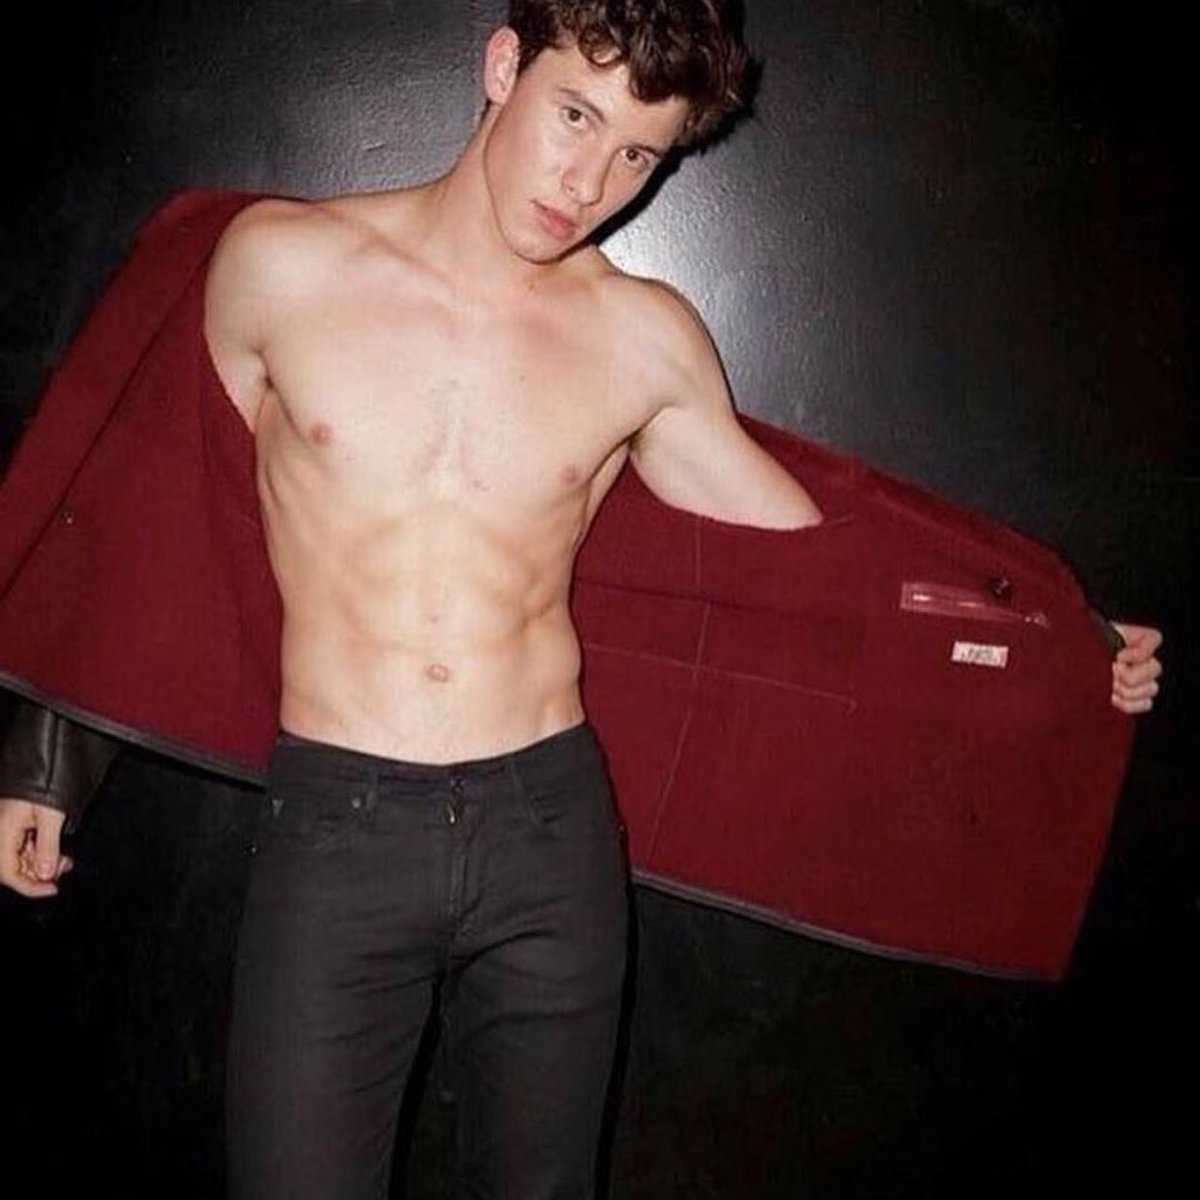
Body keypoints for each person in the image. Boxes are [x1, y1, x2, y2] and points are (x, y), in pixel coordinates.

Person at [0, 2, 1164, 1197]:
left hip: (548, 834)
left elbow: (824, 563)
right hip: (340, 829)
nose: (589, 181)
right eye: (575, 117)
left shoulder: (641, 338)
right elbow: (146, 493)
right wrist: (49, 757)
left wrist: (1047, 640)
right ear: (504, 64)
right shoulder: (279, 268)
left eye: (636, 156)